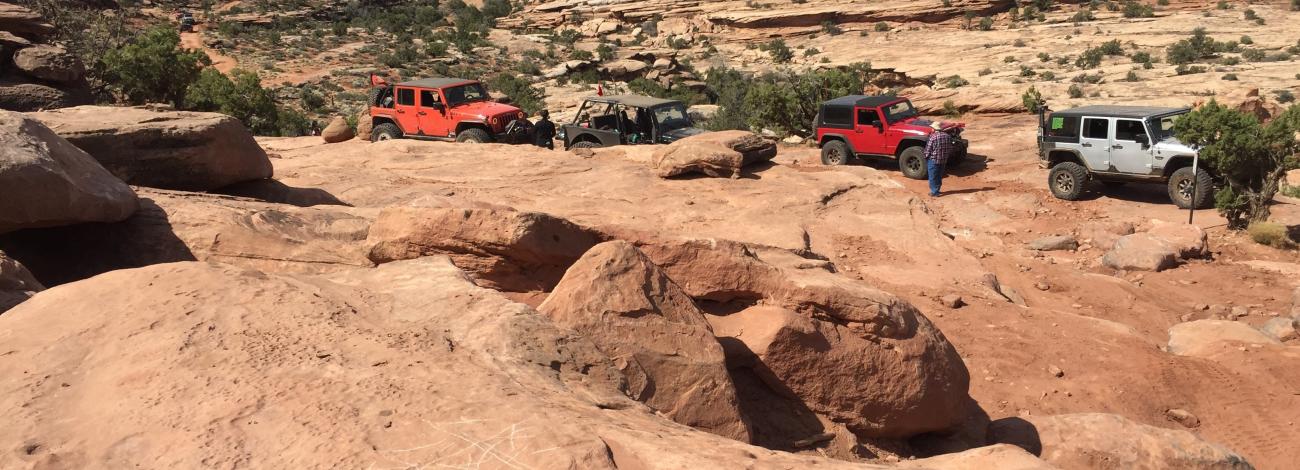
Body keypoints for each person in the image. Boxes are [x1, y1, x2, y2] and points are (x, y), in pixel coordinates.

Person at [923, 121, 954, 197]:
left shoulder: (933, 137)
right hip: (943, 160)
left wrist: (925, 157)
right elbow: (950, 148)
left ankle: (934, 192)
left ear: (934, 129)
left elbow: (928, 150)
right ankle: (937, 189)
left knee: (932, 176)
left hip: (933, 160)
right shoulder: (947, 136)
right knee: (939, 175)